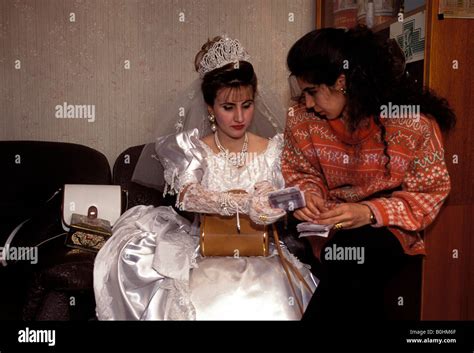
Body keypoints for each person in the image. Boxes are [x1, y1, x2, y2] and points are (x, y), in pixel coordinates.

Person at [93, 35, 317, 320]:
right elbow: (188, 197)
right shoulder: (192, 148)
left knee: (274, 294)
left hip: (260, 252)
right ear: (210, 107)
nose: (240, 117)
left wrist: (275, 201)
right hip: (206, 251)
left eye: (246, 105)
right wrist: (245, 202)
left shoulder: (276, 148)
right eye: (228, 107)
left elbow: (295, 198)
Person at [283, 25, 455, 320]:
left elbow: (429, 192)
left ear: (341, 81)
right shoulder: (302, 119)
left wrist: (368, 211)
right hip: (327, 226)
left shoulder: (412, 124)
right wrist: (308, 195)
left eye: (312, 91)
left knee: (355, 256)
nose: (307, 103)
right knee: (352, 272)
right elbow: (300, 171)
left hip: (387, 228)